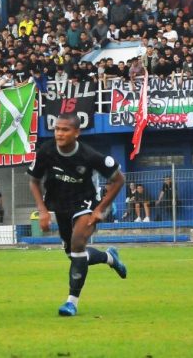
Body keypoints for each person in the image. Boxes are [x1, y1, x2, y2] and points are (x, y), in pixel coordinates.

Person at [27, 112, 127, 317]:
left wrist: (100, 209)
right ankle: (109, 257)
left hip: (86, 204)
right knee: (74, 255)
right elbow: (34, 181)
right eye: (57, 129)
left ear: (76, 133)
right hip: (59, 206)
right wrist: (43, 210)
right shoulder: (46, 151)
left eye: (65, 129)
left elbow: (118, 180)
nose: (59, 134)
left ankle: (71, 302)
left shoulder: (89, 156)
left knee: (78, 242)